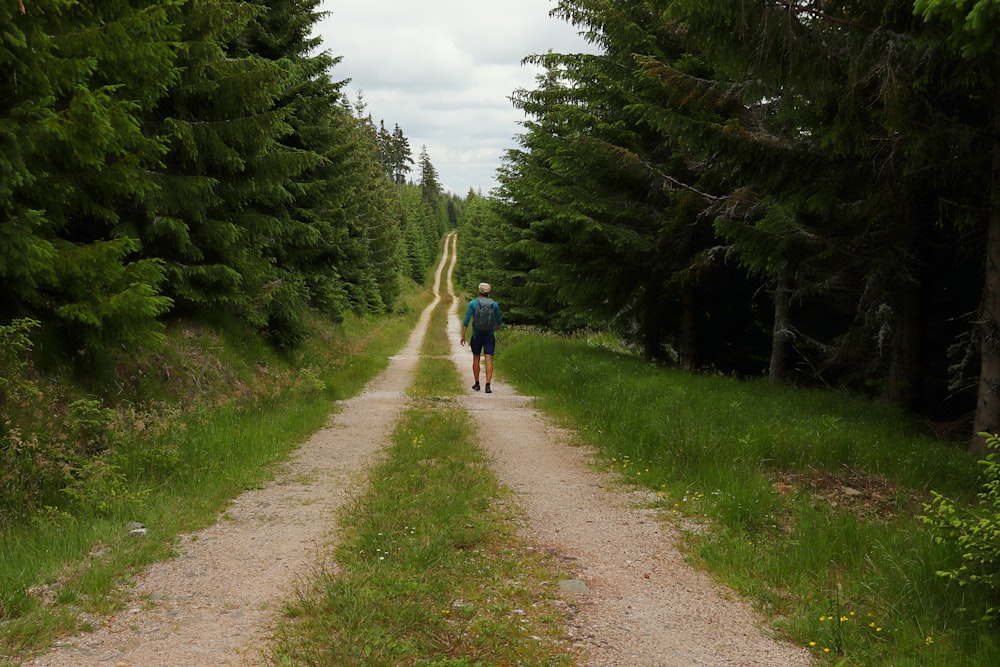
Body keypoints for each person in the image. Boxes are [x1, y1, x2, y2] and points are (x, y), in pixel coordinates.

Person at [460, 282, 503, 393]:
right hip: (489, 336)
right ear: (489, 292)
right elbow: (499, 321)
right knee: (488, 359)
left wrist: (463, 335)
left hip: (476, 335)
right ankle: (488, 385)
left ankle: (477, 383)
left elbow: (466, 321)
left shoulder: (473, 304)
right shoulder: (494, 305)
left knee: (476, 358)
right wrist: (494, 328)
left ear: (479, 291)